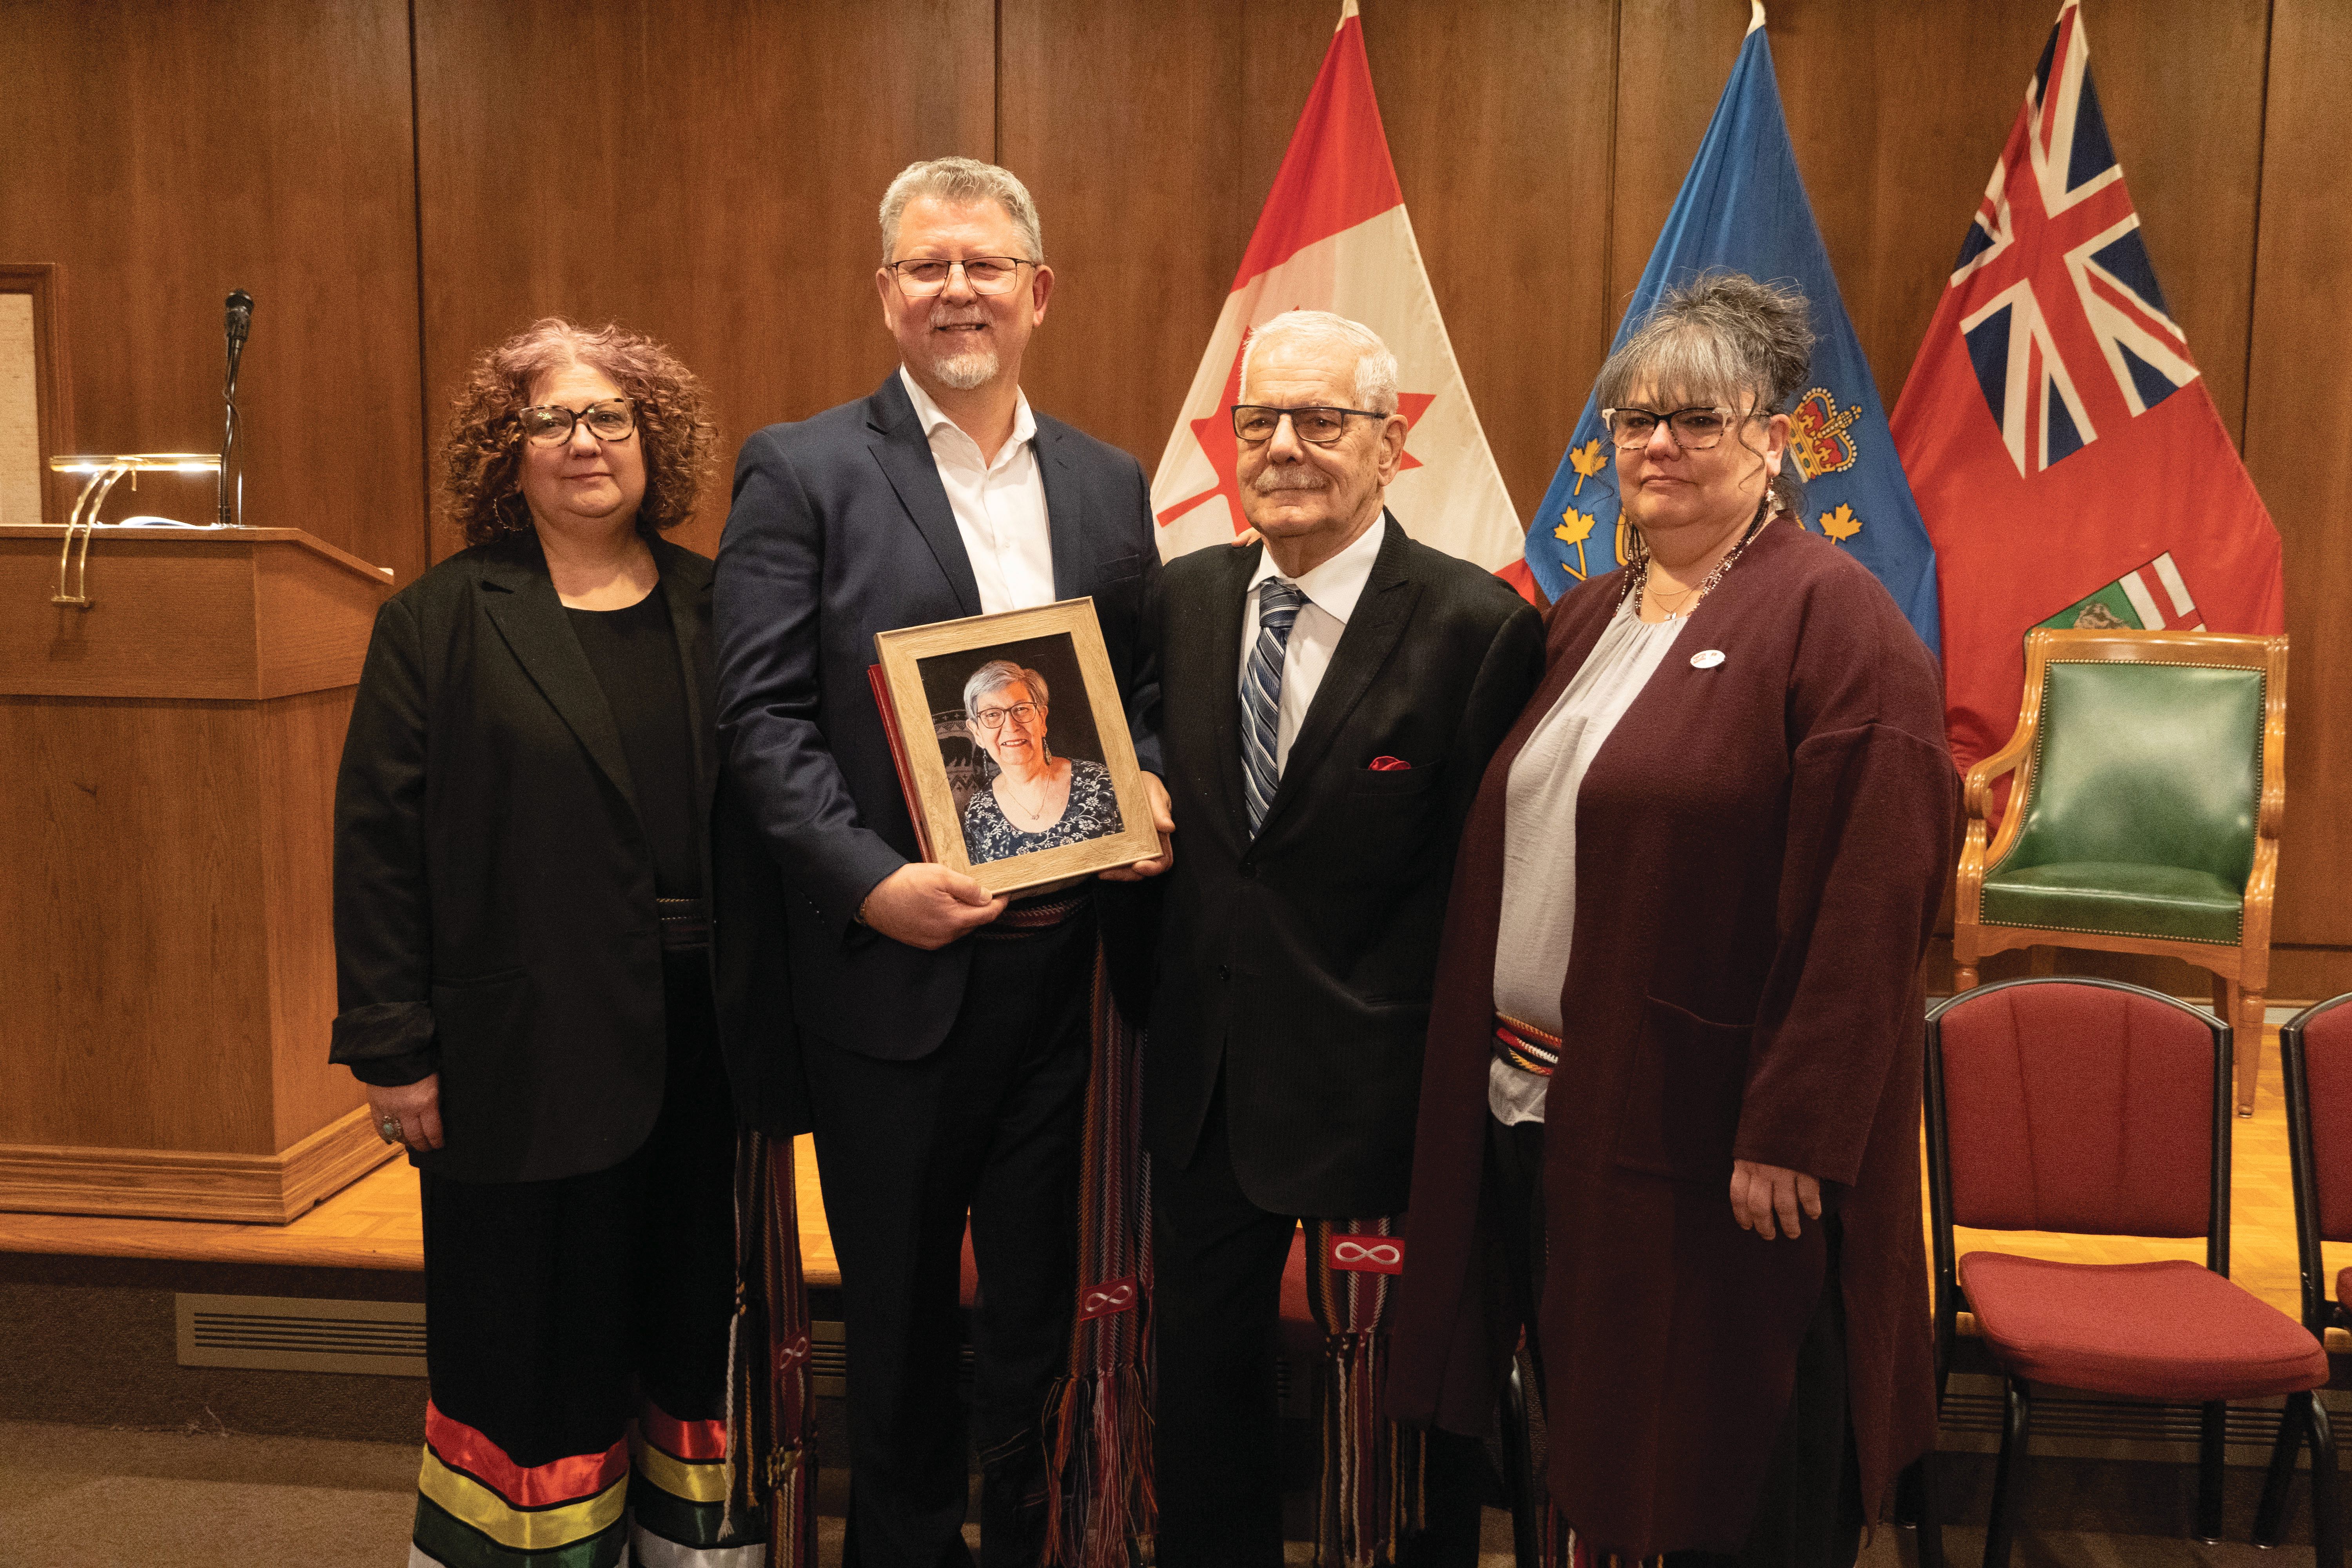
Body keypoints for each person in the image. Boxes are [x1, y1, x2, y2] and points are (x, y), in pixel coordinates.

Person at [1388, 272, 1958, 1566]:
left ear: (1775, 439)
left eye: (1699, 420)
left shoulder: (1837, 623)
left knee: (1721, 1476)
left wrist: (1796, 1132)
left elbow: (1875, 907)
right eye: (1635, 418)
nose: (1658, 445)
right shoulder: (1587, 615)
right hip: (1545, 1116)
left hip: (1719, 1155)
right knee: (1602, 1458)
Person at [714, 156, 1172, 1568]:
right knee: (903, 1315)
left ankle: (1031, 1534)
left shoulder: (1106, 480)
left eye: (985, 265)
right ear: (886, 293)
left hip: (1060, 980)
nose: (957, 289)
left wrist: (1146, 782)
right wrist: (869, 880)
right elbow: (758, 718)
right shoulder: (803, 469)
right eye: (927, 266)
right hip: (889, 979)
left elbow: (1138, 690)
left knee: (1034, 1303)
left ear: (1038, 293)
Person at [330, 318, 766, 1566]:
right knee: (528, 1335)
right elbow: (376, 847)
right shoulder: (438, 619)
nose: (584, 443)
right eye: (550, 420)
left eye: (610, 418)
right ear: (504, 453)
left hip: (703, 1048)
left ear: (654, 442)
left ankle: (689, 1548)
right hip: (512, 1054)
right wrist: (391, 1047)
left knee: (689, 1316)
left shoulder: (719, 602)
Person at [1143, 310, 1544, 1567]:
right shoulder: (1179, 599)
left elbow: (1493, 884)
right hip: (1205, 1079)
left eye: (1321, 420)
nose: (1283, 447)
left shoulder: (1477, 627)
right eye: (1256, 421)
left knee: (1397, 1417)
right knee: (1201, 1394)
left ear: (1389, 444)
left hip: (1384, 1090)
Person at [958, 659, 1121, 863]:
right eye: (992, 715)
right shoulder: (977, 813)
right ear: (977, 733)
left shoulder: (1101, 781)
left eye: (1021, 709)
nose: (1010, 727)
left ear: (1042, 719)